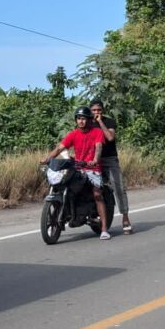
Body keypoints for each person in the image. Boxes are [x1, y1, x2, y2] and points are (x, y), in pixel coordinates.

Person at [42, 106, 111, 239]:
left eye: (84, 119)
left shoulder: (97, 132)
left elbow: (98, 147)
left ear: (89, 120)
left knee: (97, 194)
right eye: (79, 119)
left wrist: (95, 160)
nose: (81, 121)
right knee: (64, 183)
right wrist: (47, 159)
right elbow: (59, 148)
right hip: (78, 167)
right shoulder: (73, 134)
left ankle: (103, 229)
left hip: (92, 168)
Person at [90, 99, 132, 235]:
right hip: (92, 160)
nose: (96, 113)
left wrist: (100, 122)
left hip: (109, 159)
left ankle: (125, 218)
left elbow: (109, 138)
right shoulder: (87, 123)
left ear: (103, 111)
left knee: (118, 187)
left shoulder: (109, 122)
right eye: (94, 110)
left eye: (99, 110)